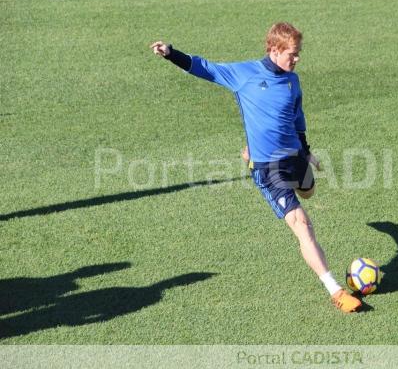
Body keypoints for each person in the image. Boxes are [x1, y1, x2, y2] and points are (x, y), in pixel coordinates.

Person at [150, 22, 361, 313]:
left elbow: (298, 118)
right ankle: (335, 290)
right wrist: (171, 53)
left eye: (298, 53)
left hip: (294, 156)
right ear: (275, 50)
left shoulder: (292, 80)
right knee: (302, 225)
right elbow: (204, 68)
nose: (297, 59)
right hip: (268, 168)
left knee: (309, 191)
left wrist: (307, 153)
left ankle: (265, 158)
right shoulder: (244, 75)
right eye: (293, 54)